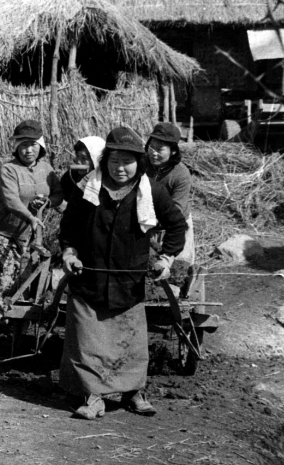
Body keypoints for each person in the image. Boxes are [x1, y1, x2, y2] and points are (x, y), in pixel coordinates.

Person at [59, 126, 187, 420]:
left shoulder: (150, 191)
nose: (120, 168)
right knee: (87, 344)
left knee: (129, 344)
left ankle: (133, 393)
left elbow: (177, 224)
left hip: (128, 284)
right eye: (114, 160)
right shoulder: (85, 189)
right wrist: (69, 252)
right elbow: (69, 226)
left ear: (139, 162)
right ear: (105, 161)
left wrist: (166, 258)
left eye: (127, 161)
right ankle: (92, 397)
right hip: (88, 281)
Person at [0, 119, 62, 324]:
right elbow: (11, 200)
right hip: (7, 232)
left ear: (41, 147)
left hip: (31, 235)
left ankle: (17, 321)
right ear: (17, 147)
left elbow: (58, 195)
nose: (28, 150)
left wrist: (47, 201)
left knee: (24, 278)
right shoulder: (9, 169)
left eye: (33, 145)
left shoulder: (47, 169)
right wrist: (30, 216)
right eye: (24, 145)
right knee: (3, 277)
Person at [145, 122, 195, 270]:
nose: (154, 153)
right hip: (147, 224)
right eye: (151, 147)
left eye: (160, 149)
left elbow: (177, 210)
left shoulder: (181, 174)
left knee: (178, 271)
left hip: (175, 226)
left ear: (173, 151)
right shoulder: (142, 164)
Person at [50, 137, 106, 212]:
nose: (78, 161)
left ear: (96, 160)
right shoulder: (71, 176)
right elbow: (60, 197)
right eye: (77, 156)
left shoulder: (105, 183)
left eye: (84, 158)